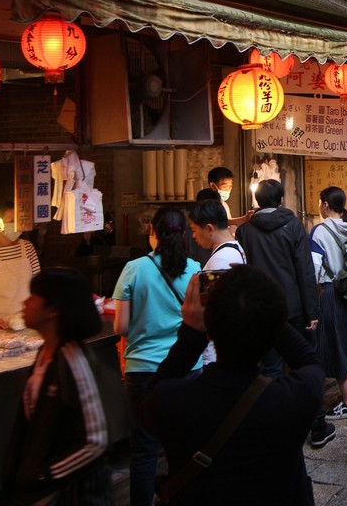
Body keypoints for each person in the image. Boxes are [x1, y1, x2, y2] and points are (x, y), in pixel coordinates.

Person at [139, 266, 323, 505]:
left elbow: (145, 402)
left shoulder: (173, 402)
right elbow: (310, 361)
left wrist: (191, 332)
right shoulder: (295, 398)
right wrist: (266, 310)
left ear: (209, 331)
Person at [113, 207, 201, 506]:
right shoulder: (195, 269)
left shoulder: (134, 269)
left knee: (144, 450)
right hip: (188, 368)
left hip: (142, 370)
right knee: (186, 444)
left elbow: (121, 326)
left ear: (153, 232)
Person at [235, 178, 330, 446]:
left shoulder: (245, 231)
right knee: (305, 365)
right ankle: (318, 425)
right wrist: (312, 310)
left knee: (272, 369)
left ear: (257, 201)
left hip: (262, 309)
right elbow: (305, 269)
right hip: (295, 307)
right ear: (280, 200)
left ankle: (279, 428)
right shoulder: (292, 225)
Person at [7, 268, 111, 506]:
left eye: (33, 297)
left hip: (73, 494)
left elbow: (95, 442)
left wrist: (45, 476)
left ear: (53, 310)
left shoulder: (73, 359)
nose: (25, 303)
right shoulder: (45, 353)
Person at [309, 186, 347, 421]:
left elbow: (313, 269)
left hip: (332, 292)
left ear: (325, 205)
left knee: (337, 347)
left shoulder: (319, 232)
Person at [188, 198, 246, 365]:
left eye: (194, 230)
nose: (193, 236)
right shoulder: (234, 249)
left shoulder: (221, 261)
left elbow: (214, 313)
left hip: (217, 354)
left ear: (209, 229)